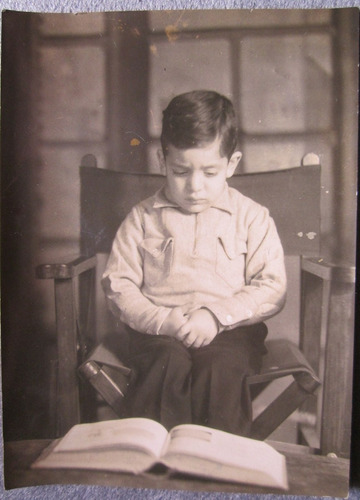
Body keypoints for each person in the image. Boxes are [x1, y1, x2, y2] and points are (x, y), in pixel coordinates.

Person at [101, 90, 286, 436]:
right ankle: (150, 462)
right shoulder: (142, 218)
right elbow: (118, 285)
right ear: (162, 161)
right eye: (180, 171)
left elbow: (272, 287)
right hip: (159, 334)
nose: (195, 187)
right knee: (163, 364)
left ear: (232, 164)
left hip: (230, 333)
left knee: (220, 369)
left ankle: (217, 463)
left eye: (210, 172)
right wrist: (163, 321)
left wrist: (216, 316)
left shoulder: (252, 217)